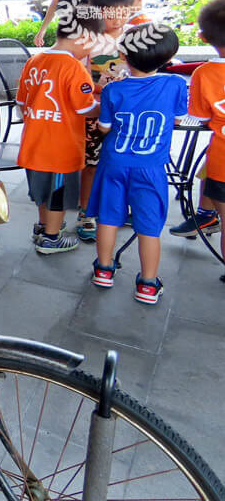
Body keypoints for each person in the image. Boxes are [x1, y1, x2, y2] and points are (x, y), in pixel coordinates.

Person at [87, 26, 186, 304]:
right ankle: (147, 284)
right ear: (168, 57)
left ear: (122, 55)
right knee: (149, 226)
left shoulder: (113, 89)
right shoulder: (175, 84)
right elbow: (178, 118)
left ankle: (104, 270)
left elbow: (104, 127)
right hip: (150, 168)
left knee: (108, 218)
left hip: (114, 164)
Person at [17, 18, 101, 254]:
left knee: (42, 190)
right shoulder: (75, 68)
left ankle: (44, 227)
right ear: (83, 38)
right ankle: (51, 239)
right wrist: (104, 108)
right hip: (61, 145)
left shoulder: (34, 61)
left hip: (34, 141)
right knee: (59, 192)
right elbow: (85, 109)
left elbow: (21, 101)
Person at [75, 0, 143, 242]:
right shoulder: (87, 42)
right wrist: (100, 89)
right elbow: (78, 79)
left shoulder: (135, 38)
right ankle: (85, 213)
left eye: (123, 12)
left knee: (123, 164)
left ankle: (118, 209)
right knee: (91, 165)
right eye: (109, 11)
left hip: (127, 116)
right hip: (97, 112)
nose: (116, 18)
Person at [186, 0, 225, 262]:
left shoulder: (205, 73)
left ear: (202, 37)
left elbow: (198, 115)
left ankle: (206, 215)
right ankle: (203, 215)